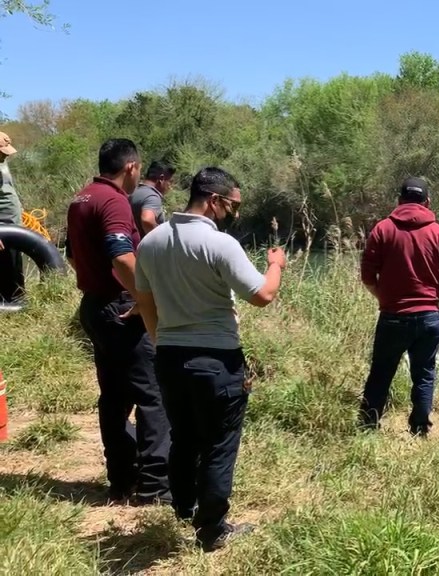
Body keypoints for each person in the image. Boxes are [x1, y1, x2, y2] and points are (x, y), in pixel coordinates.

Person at [135, 166, 286, 552]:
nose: (235, 212)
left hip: (169, 358)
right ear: (214, 201)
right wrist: (276, 265)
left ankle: (184, 507)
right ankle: (212, 529)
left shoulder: (150, 242)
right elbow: (262, 295)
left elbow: (145, 303)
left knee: (183, 437)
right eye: (233, 205)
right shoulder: (220, 244)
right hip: (216, 361)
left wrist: (162, 343)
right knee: (219, 444)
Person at [65, 138, 171, 505]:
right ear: (131, 167)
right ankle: (155, 486)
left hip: (95, 306)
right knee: (152, 395)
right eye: (138, 169)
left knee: (113, 395)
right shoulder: (113, 201)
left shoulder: (82, 198)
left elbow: (72, 255)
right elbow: (122, 255)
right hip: (122, 308)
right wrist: (144, 297)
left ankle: (122, 481)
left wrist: (96, 282)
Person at [358, 177, 439, 437]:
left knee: (381, 373)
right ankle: (419, 429)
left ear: (399, 200)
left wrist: (384, 298)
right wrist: (434, 299)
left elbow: (367, 276)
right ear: (427, 202)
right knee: (424, 374)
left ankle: (368, 427)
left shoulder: (382, 230)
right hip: (429, 319)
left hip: (392, 317)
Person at [0, 131, 25, 304]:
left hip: (14, 223)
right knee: (4, 266)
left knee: (16, 265)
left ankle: (18, 303)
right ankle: (6, 306)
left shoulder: (2, 163)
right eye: (2, 152)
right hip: (2, 226)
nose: (5, 155)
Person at [129, 160, 176, 237]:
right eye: (170, 181)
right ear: (161, 179)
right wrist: (159, 239)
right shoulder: (152, 197)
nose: (170, 186)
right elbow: (147, 220)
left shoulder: (134, 191)